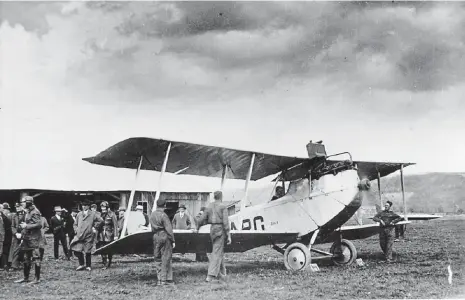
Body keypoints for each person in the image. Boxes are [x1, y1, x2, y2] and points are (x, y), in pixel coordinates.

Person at [197, 191, 231, 282]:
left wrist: (197, 227)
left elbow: (201, 219)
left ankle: (222, 273)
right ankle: (210, 275)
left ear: (214, 197)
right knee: (217, 252)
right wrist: (228, 235)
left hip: (212, 229)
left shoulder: (209, 206)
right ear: (221, 197)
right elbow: (226, 222)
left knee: (218, 250)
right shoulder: (223, 207)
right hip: (220, 229)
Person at [14, 196, 43, 284]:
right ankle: (25, 278)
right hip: (27, 238)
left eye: (23, 202)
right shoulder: (28, 211)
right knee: (26, 258)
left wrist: (27, 226)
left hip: (34, 239)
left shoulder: (35, 212)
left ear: (29, 202)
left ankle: (37, 279)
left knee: (36, 258)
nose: (22, 204)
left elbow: (39, 224)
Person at [70, 199, 103, 271]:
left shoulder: (92, 214)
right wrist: (76, 230)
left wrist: (94, 227)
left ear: (88, 206)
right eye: (82, 205)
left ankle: (88, 265)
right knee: (77, 250)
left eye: (85, 205)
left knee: (87, 251)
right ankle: (81, 264)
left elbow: (100, 220)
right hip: (79, 235)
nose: (83, 207)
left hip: (88, 235)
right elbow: (75, 224)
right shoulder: (79, 214)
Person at [149, 198, 175, 286]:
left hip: (155, 236)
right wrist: (173, 240)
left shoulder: (152, 214)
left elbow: (152, 227)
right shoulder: (164, 215)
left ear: (157, 205)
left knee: (157, 258)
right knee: (166, 258)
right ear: (164, 206)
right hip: (164, 236)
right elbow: (169, 229)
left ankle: (159, 279)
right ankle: (165, 280)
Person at [96, 201, 118, 269]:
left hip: (109, 234)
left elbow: (115, 225)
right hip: (101, 234)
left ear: (107, 207)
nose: (103, 208)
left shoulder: (112, 214)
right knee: (102, 248)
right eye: (102, 207)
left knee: (109, 248)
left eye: (104, 207)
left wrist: (115, 235)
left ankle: (109, 262)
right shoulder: (100, 214)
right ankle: (104, 263)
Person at [9, 202, 25, 270]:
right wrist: (15, 233)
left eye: (18, 207)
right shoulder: (14, 215)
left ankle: (23, 263)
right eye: (16, 207)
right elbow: (12, 226)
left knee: (24, 250)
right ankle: (14, 265)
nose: (17, 208)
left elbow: (27, 226)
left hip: (24, 234)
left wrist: (22, 234)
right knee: (15, 250)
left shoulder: (26, 215)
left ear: (22, 207)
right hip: (16, 235)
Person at [1, 203, 13, 271]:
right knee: (6, 249)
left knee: (4, 249)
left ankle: (4, 264)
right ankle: (5, 264)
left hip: (6, 234)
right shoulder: (9, 215)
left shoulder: (4, 215)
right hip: (7, 235)